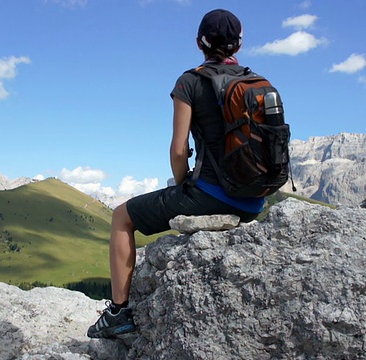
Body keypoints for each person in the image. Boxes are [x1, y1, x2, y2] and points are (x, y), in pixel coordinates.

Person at [87, 8, 265, 339]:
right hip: (254, 202)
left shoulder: (191, 81)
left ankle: (117, 313)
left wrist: (183, 182)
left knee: (121, 218)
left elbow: (178, 150)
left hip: (210, 195)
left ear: (200, 42)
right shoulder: (255, 82)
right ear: (239, 43)